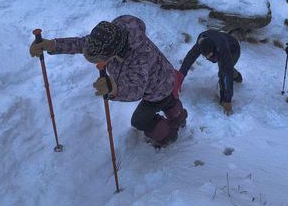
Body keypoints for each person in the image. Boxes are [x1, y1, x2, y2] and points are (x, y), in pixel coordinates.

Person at [29, 15, 187, 147]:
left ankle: (168, 135)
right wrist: (53, 45)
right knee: (167, 100)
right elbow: (83, 43)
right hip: (163, 74)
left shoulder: (137, 58)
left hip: (157, 88)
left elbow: (135, 90)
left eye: (100, 58)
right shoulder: (112, 35)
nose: (98, 60)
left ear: (112, 53)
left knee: (140, 120)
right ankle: (177, 115)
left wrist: (114, 88)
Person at [179, 29, 242, 115]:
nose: (210, 59)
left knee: (224, 71)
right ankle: (233, 72)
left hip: (233, 50)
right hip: (221, 49)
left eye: (211, 55)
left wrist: (227, 100)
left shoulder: (222, 48)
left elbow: (226, 73)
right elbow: (189, 59)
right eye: (207, 57)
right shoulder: (200, 43)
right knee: (225, 69)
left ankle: (237, 76)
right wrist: (180, 77)